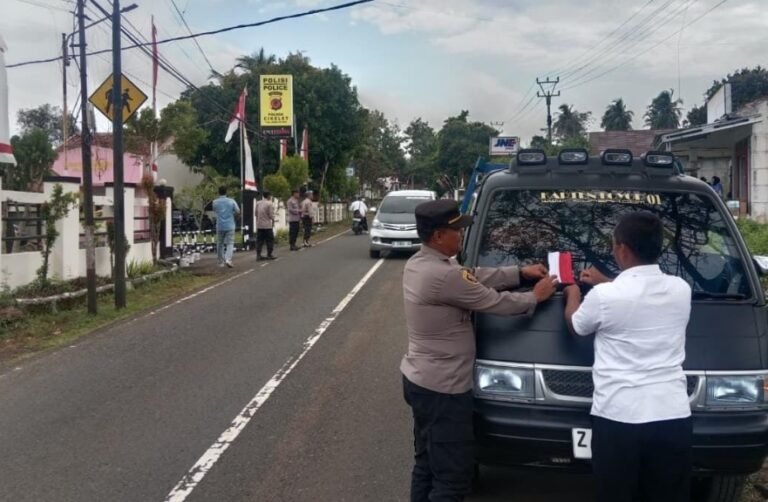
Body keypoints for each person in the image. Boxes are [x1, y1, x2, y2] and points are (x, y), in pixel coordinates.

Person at [401, 199, 558, 502]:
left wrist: (518, 273)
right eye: (456, 230)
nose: (461, 236)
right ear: (437, 236)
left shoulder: (424, 263)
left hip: (423, 381)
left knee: (427, 464)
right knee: (453, 479)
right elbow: (492, 301)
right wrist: (535, 297)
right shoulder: (443, 275)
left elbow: (471, 275)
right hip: (443, 391)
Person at [563, 211, 692, 502]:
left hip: (619, 418)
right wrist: (606, 281)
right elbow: (640, 295)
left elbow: (577, 326)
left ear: (621, 249)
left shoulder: (605, 296)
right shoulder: (681, 290)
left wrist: (573, 293)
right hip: (672, 417)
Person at [212, 186, 240, 268]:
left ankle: (221, 262)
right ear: (226, 192)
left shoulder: (215, 202)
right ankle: (228, 259)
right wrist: (233, 215)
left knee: (220, 244)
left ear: (218, 192)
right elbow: (238, 211)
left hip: (220, 225)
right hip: (230, 224)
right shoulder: (231, 201)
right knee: (230, 243)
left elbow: (215, 210)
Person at [254, 191, 276, 261]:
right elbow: (271, 215)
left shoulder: (258, 203)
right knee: (269, 240)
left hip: (259, 225)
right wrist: (273, 220)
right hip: (267, 225)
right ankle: (269, 254)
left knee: (259, 241)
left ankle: (258, 255)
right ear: (269, 196)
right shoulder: (269, 204)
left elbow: (256, 213)